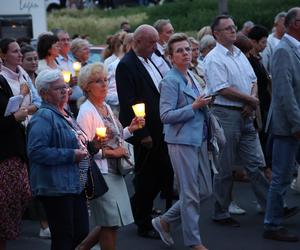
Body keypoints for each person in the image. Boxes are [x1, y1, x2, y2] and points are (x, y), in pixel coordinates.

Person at [204, 15, 270, 227]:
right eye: (228, 28)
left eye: (234, 27)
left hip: (246, 113)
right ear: (216, 34)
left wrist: (251, 102)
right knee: (225, 167)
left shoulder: (238, 54)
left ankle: (271, 206)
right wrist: (250, 99)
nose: (234, 31)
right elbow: (221, 88)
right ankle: (220, 212)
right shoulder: (214, 58)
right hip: (226, 114)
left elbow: (253, 80)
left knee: (256, 164)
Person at [152, 33, 212, 250]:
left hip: (200, 138)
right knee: (190, 194)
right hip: (181, 141)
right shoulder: (170, 80)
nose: (186, 53)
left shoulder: (192, 75)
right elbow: (165, 116)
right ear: (170, 57)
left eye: (188, 49)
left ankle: (164, 221)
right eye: (180, 50)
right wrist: (194, 107)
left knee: (204, 190)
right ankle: (194, 242)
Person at [75, 62, 145, 250]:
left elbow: (116, 137)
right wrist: (114, 152)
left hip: (115, 171)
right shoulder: (86, 112)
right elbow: (86, 148)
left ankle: (82, 248)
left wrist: (131, 128)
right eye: (98, 81)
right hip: (102, 173)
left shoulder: (105, 106)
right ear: (87, 87)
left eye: (105, 80)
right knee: (110, 222)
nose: (104, 84)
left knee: (113, 221)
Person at [116, 24, 174, 238]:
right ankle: (143, 221)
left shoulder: (151, 60)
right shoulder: (126, 65)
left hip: (162, 127)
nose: (155, 46)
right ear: (138, 41)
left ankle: (155, 213)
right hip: (146, 130)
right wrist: (143, 134)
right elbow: (129, 101)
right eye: (151, 42)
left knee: (164, 174)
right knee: (147, 178)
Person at [27, 69, 90, 250]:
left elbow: (76, 140)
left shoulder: (66, 113)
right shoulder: (43, 117)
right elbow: (36, 152)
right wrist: (71, 155)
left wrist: (92, 145)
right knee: (64, 237)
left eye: (65, 87)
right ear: (44, 94)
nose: (64, 91)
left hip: (73, 183)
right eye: (58, 89)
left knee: (80, 232)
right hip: (55, 186)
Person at [263, 7, 300, 242]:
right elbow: (285, 94)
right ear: (296, 23)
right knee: (282, 176)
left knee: (284, 175)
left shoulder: (292, 49)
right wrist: (297, 125)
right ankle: (272, 224)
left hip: (294, 125)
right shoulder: (284, 51)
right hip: (289, 127)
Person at [0, 38, 33, 250]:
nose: (19, 56)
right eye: (15, 52)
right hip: (4, 152)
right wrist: (15, 117)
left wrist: (20, 112)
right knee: (5, 204)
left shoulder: (10, 79)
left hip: (14, 147)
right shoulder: (4, 79)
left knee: (22, 194)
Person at [20, 44, 51, 239]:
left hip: (39, 128)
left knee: (40, 176)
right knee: (32, 177)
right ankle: (42, 222)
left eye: (34, 58)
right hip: (23, 130)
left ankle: (45, 221)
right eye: (28, 59)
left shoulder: (39, 78)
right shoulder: (20, 79)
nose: (32, 62)